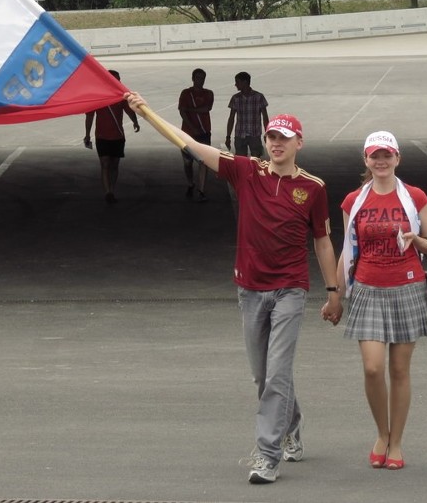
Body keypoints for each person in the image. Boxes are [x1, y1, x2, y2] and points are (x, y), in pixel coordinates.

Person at [124, 92, 340, 485]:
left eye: (284, 138)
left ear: (299, 144)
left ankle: (268, 455)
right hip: (250, 289)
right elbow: (191, 143)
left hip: (290, 289)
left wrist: (333, 293)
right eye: (271, 136)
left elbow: (322, 242)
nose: (276, 143)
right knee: (263, 376)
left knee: (278, 374)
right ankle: (291, 423)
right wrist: (147, 112)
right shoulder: (246, 171)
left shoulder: (313, 188)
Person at [332, 131, 427, 471]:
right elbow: (348, 250)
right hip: (367, 287)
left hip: (407, 286)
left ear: (397, 159)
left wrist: (415, 238)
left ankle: (396, 442)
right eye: (375, 156)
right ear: (366, 160)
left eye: (387, 155)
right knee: (373, 367)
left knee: (399, 370)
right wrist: (335, 295)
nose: (381, 161)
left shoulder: (415, 196)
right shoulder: (353, 201)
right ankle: (382, 432)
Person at [83, 69, 140, 204]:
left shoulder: (121, 97)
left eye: (119, 80)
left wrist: (135, 121)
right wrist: (87, 134)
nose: (119, 83)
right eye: (116, 80)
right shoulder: (97, 97)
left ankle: (112, 190)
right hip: (102, 136)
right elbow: (89, 116)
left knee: (114, 165)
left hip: (118, 136)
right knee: (105, 164)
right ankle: (108, 192)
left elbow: (129, 110)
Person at [178, 67, 214, 202]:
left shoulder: (209, 93)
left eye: (203, 78)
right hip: (187, 133)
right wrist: (192, 127)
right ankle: (190, 183)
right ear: (193, 79)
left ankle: (201, 190)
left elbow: (207, 108)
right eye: (198, 78)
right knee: (187, 162)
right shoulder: (186, 93)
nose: (201, 81)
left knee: (203, 161)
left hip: (204, 132)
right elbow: (182, 112)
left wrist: (191, 110)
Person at [225, 71, 269, 157]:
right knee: (241, 160)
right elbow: (231, 118)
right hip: (240, 134)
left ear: (245, 82)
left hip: (254, 134)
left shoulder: (259, 97)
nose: (235, 84)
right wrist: (228, 136)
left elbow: (265, 117)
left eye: (237, 82)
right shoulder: (235, 98)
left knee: (256, 160)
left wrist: (267, 132)